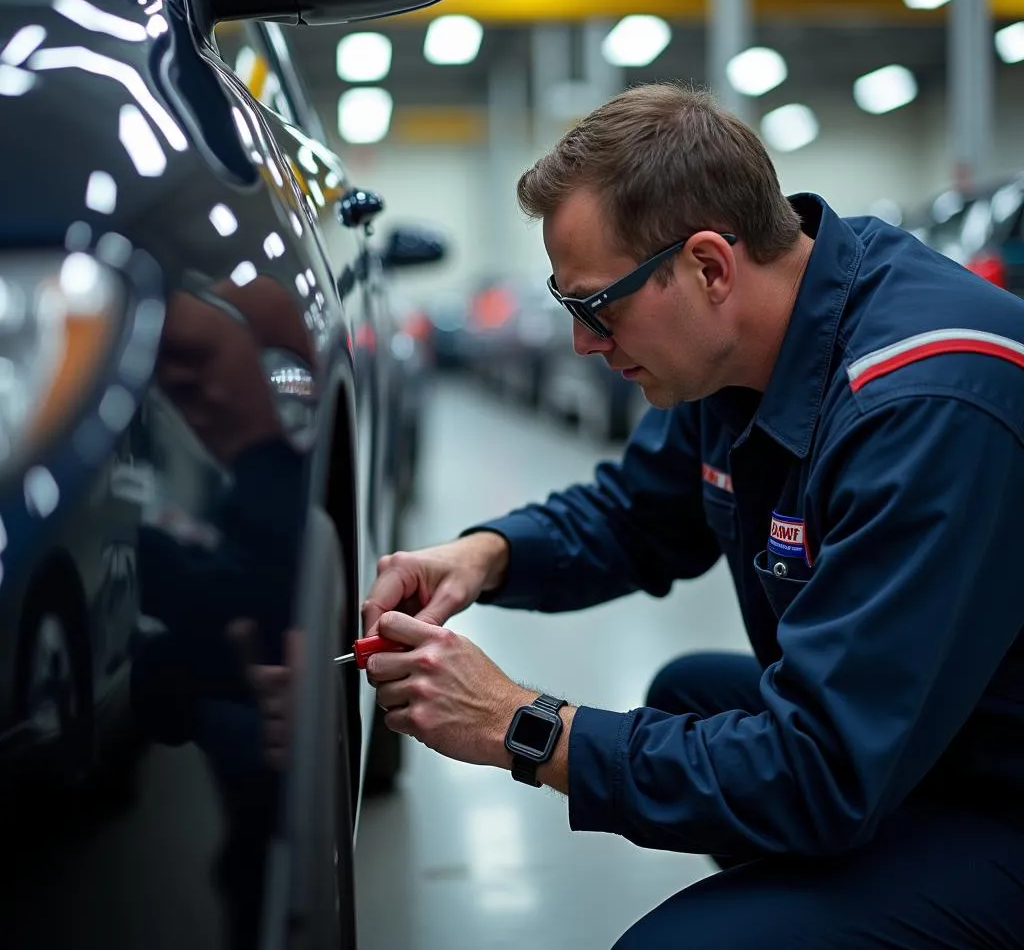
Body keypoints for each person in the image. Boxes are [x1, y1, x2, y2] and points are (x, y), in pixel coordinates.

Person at [361, 83, 1024, 948]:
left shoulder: (923, 404)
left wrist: (519, 726)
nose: (582, 344)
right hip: (926, 740)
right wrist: (481, 556)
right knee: (690, 699)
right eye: (569, 308)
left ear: (710, 266)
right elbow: (638, 513)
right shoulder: (747, 347)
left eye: (597, 306)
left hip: (994, 793)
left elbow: (819, 771)